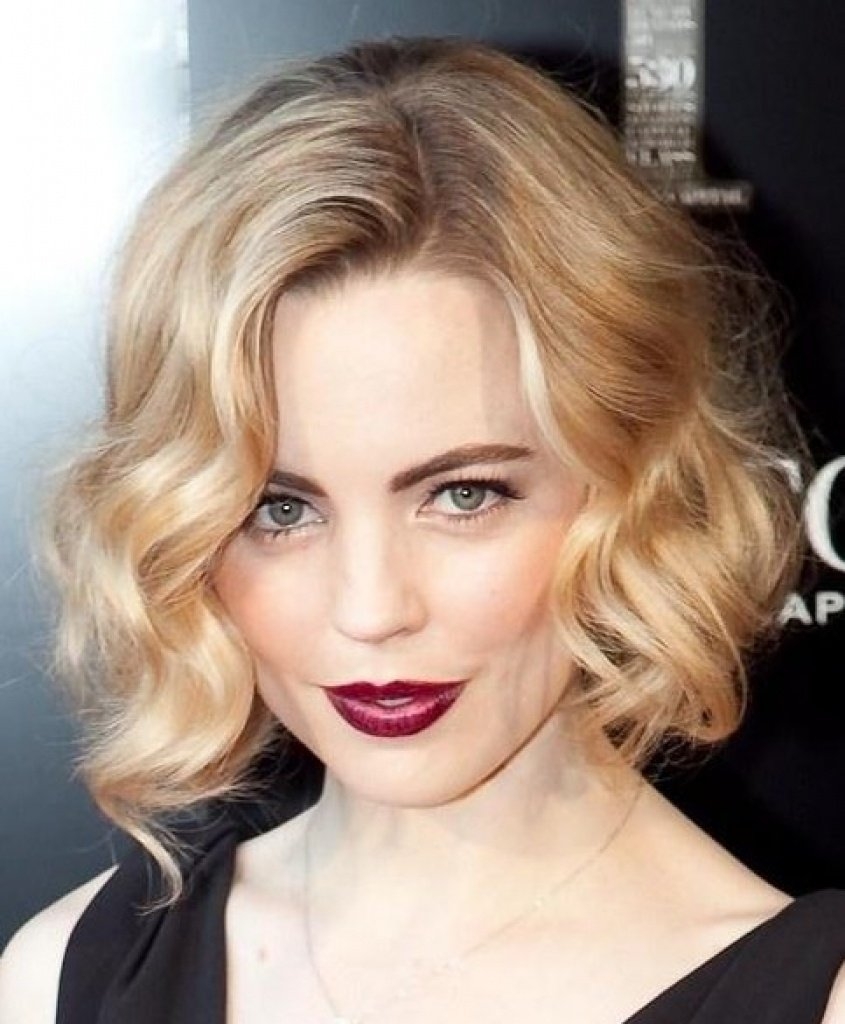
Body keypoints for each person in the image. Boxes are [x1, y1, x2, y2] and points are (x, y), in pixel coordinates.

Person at [1, 36, 843, 1024]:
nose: (370, 611)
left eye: (463, 495)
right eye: (281, 509)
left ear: (625, 486)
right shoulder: (61, 978)